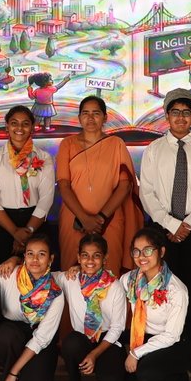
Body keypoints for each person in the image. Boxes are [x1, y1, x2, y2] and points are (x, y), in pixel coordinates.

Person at [138, 88, 191, 375]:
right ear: (167, 116)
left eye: (186, 113)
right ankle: (161, 351)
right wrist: (172, 225)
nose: (181, 117)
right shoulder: (154, 150)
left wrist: (187, 226)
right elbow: (147, 192)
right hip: (162, 232)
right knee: (160, 291)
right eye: (175, 112)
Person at [56, 95, 141, 272]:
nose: (90, 118)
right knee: (72, 273)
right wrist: (84, 218)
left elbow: (125, 185)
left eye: (96, 113)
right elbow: (63, 185)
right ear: (79, 117)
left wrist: (100, 218)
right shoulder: (67, 144)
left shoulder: (116, 144)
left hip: (109, 219)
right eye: (85, 113)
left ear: (105, 117)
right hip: (74, 219)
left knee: (110, 271)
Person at [114, 225, 191, 381]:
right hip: (142, 339)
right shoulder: (128, 280)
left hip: (170, 344)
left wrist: (135, 354)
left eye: (148, 250)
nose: (141, 257)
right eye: (136, 251)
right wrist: (78, 271)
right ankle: (148, 379)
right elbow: (107, 290)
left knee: (147, 376)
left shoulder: (176, 289)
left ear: (161, 251)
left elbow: (172, 335)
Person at [0, 232, 64, 381]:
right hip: (14, 331)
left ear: (51, 259)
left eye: (41, 254)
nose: (35, 259)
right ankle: (9, 374)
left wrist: (15, 372)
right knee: (3, 336)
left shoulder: (55, 291)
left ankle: (16, 373)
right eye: (30, 254)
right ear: (24, 257)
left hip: (40, 336)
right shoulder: (9, 274)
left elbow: (42, 337)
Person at [54, 232, 128, 381]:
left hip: (106, 340)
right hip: (82, 338)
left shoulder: (115, 286)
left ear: (105, 258)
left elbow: (117, 327)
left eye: (96, 256)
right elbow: (42, 274)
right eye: (85, 255)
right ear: (78, 258)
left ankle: (101, 369)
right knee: (70, 343)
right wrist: (14, 260)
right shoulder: (70, 279)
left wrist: (94, 354)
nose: (90, 261)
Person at [0, 105, 56, 260]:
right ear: (7, 126)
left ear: (32, 127)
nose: (19, 128)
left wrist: (28, 231)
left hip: (35, 223)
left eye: (25, 124)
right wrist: (15, 232)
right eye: (14, 123)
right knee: (0, 271)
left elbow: (46, 199)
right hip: (3, 223)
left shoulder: (44, 158)